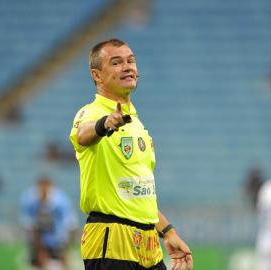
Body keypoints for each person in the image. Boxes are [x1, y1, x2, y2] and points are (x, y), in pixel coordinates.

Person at [69, 39, 193, 270]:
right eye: (116, 63)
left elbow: (137, 191)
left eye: (131, 61)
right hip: (110, 238)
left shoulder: (135, 123)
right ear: (97, 75)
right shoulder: (91, 112)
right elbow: (82, 136)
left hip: (148, 243)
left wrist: (167, 231)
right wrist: (103, 124)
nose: (127, 67)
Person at [20, 176, 78, 269]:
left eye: (46, 188)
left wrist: (67, 246)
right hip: (39, 238)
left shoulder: (61, 201)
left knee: (61, 262)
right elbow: (28, 224)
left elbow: (70, 224)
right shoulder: (29, 199)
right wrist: (36, 243)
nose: (43, 190)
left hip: (58, 238)